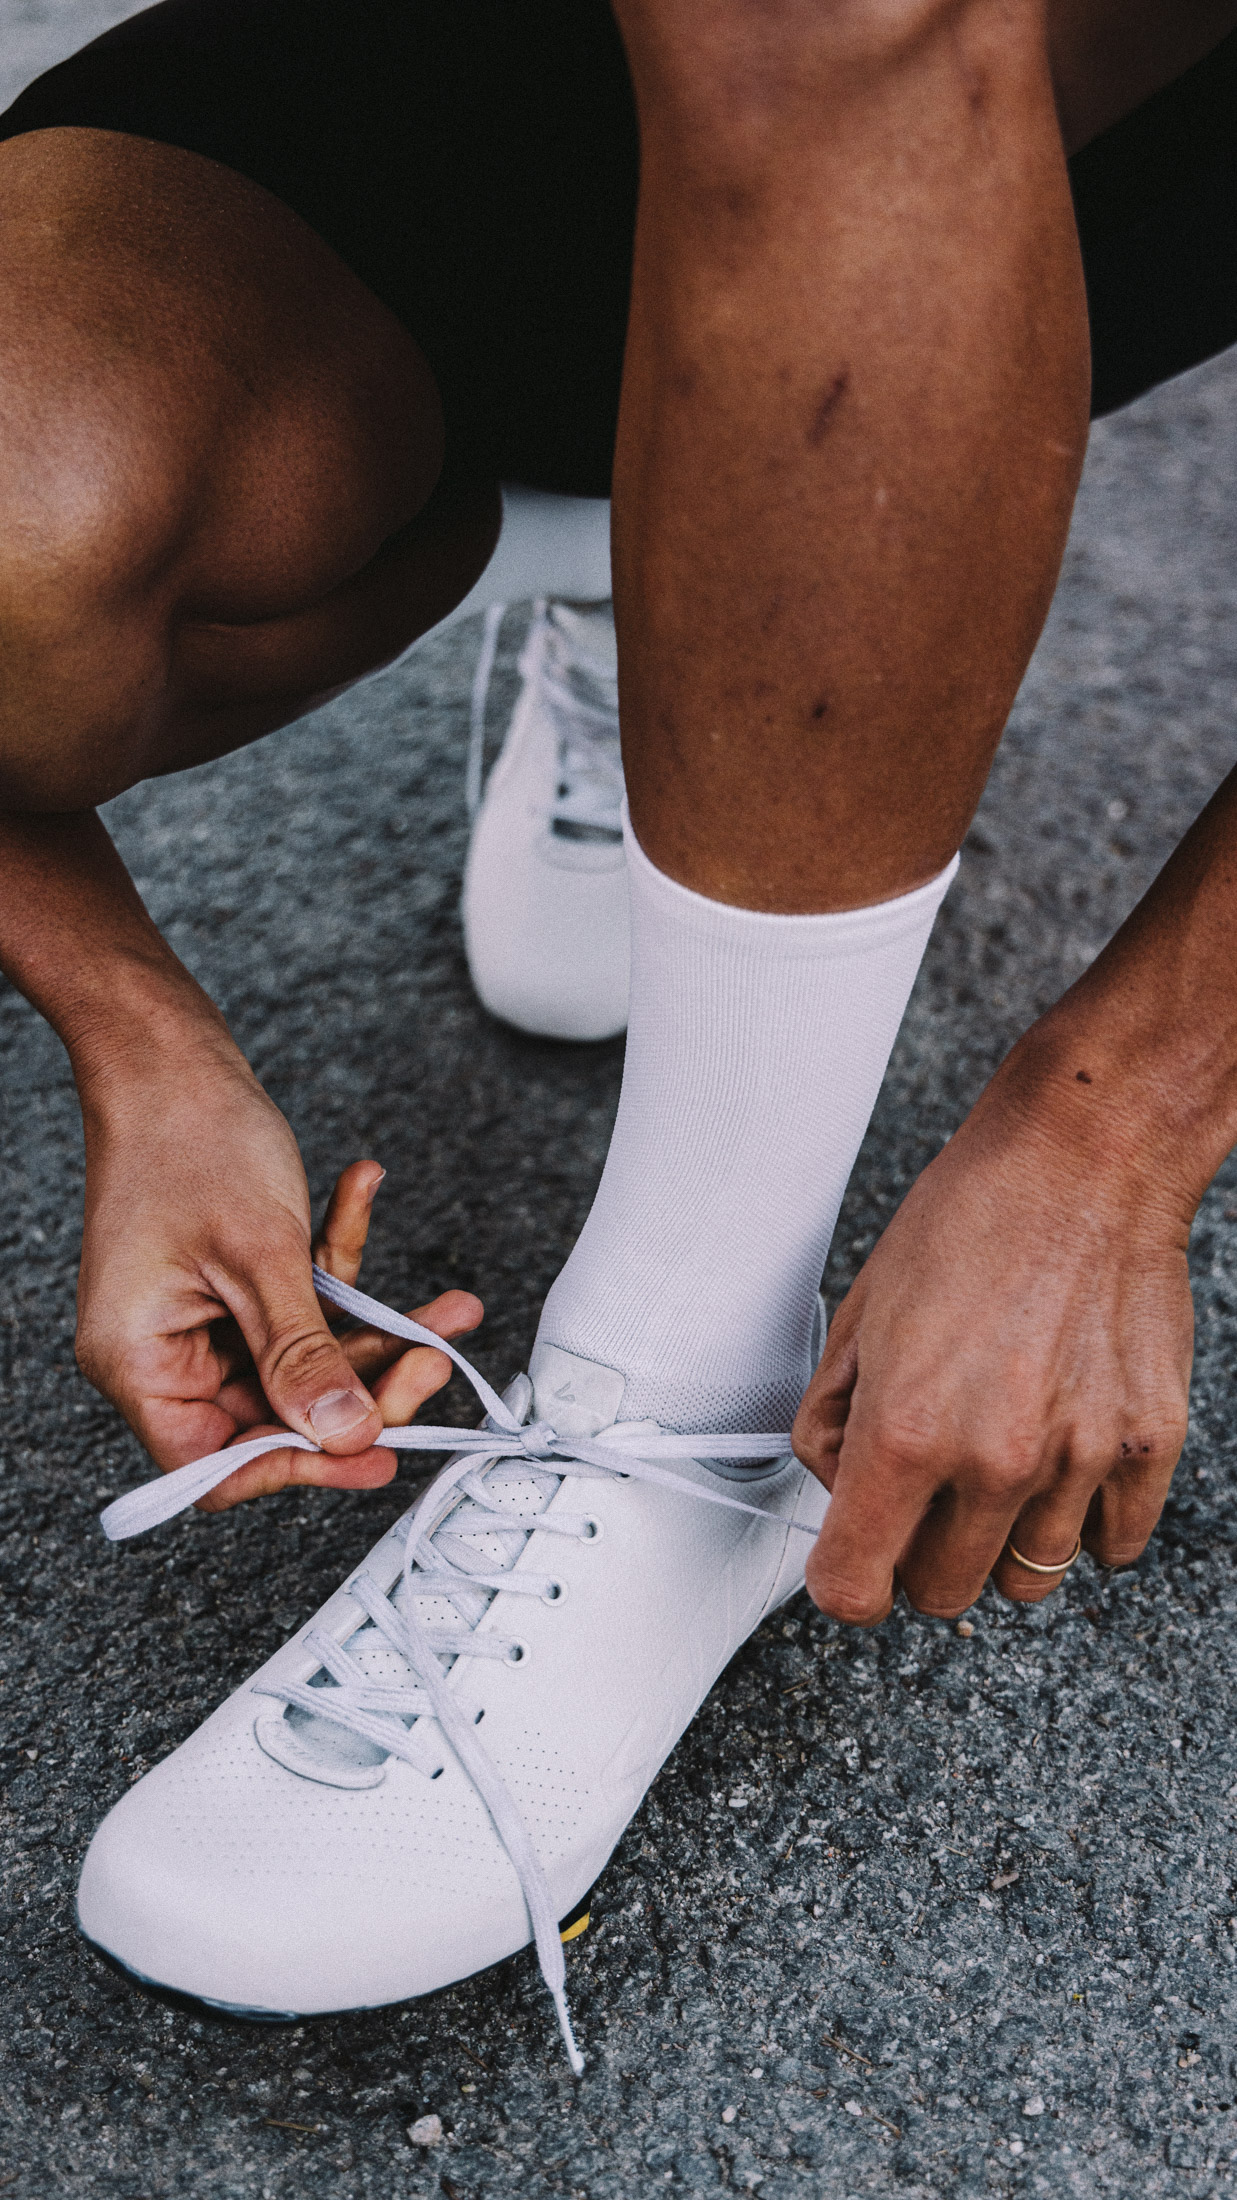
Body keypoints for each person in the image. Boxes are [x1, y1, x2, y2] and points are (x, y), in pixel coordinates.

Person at [2, 0, 1236, 2061]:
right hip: (493, 87)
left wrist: (1115, 1127)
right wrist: (130, 1023)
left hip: (1073, 103)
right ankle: (687, 612)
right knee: (24, 547)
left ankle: (683, 1377)